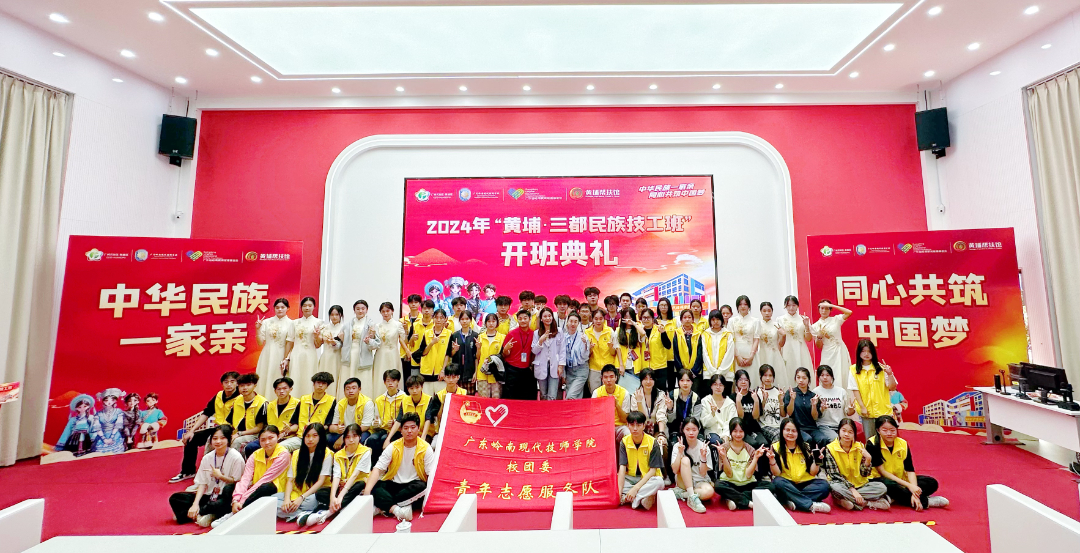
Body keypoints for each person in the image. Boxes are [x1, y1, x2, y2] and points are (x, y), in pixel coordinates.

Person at [362, 413, 435, 522]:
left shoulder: (426, 448)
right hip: (395, 484)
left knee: (423, 487)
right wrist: (367, 492)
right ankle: (397, 509)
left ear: (418, 429)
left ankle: (383, 506)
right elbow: (378, 468)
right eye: (406, 428)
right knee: (374, 486)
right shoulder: (393, 446)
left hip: (414, 485)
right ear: (401, 430)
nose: (409, 431)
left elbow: (431, 475)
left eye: (413, 427)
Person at [170, 371, 242, 483]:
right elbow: (206, 413)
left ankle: (217, 473)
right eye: (226, 382)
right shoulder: (219, 396)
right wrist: (191, 431)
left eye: (232, 381)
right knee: (192, 438)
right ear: (222, 384)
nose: (229, 384)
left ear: (237, 383)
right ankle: (188, 471)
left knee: (214, 438)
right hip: (218, 427)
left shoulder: (241, 398)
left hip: (232, 429)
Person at [215, 425, 291, 528]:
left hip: (275, 488)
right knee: (229, 488)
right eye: (263, 440)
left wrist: (242, 500)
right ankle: (225, 513)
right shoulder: (255, 455)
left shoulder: (283, 454)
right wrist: (236, 500)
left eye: (271, 438)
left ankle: (235, 515)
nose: (267, 442)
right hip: (255, 487)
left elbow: (266, 479)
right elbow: (245, 478)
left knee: (266, 487)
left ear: (278, 437)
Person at [169, 424, 245, 527]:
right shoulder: (207, 458)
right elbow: (202, 483)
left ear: (228, 440)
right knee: (175, 498)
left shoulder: (236, 457)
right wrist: (195, 504)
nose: (218, 441)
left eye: (222, 438)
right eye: (215, 438)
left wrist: (221, 476)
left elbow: (237, 483)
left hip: (225, 497)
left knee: (222, 503)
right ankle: (201, 513)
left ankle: (195, 514)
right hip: (210, 496)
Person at [868, 416, 949, 511]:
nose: (889, 433)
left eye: (892, 430)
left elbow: (909, 470)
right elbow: (883, 472)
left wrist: (914, 489)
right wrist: (909, 486)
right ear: (878, 430)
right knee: (890, 485)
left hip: (901, 479)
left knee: (931, 483)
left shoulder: (903, 444)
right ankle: (926, 502)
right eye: (885, 430)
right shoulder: (872, 444)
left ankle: (896, 497)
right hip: (881, 479)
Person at [822, 418, 890, 511]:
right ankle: (867, 502)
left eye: (850, 432)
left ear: (854, 434)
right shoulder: (830, 448)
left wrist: (868, 460)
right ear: (839, 431)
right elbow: (834, 475)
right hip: (842, 485)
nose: (846, 434)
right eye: (844, 431)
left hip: (860, 485)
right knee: (835, 487)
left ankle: (843, 501)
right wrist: (852, 490)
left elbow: (865, 474)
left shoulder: (860, 447)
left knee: (881, 488)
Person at [769, 418, 831, 513]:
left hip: (805, 483)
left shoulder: (806, 447)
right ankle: (810, 505)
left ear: (798, 432)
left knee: (824, 486)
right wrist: (772, 460)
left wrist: (816, 461)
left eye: (794, 431)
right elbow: (776, 473)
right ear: (782, 431)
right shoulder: (775, 447)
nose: (790, 433)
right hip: (787, 483)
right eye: (787, 430)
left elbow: (813, 472)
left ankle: (790, 500)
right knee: (777, 483)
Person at [276, 423, 333, 526]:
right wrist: (287, 499)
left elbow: (320, 482)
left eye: (314, 436)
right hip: (297, 492)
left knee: (310, 502)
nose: (310, 439)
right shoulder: (297, 453)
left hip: (313, 495)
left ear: (321, 437)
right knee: (272, 500)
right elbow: (290, 480)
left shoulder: (327, 454)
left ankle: (294, 511)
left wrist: (301, 498)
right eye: (307, 436)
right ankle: (301, 513)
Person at [712, 418, 771, 510]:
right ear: (731, 432)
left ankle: (733, 498)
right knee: (718, 486)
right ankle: (747, 502)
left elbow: (748, 475)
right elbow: (729, 474)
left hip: (747, 484)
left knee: (771, 486)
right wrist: (723, 457)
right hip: (730, 483)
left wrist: (756, 457)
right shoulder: (724, 448)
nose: (738, 434)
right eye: (735, 431)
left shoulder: (750, 449)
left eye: (741, 431)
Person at [849, 339, 897, 439]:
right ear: (859, 352)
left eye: (869, 351)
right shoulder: (853, 369)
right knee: (870, 440)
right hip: (866, 412)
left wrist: (890, 374)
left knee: (885, 439)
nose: (866, 354)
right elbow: (855, 390)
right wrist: (862, 407)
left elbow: (892, 387)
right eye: (863, 351)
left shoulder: (881, 368)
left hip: (883, 411)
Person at [618, 411, 666, 510]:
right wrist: (618, 493)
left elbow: (653, 471)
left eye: (638, 425)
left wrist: (635, 489)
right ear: (627, 425)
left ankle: (632, 499)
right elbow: (622, 468)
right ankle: (643, 497)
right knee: (615, 480)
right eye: (632, 425)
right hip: (630, 478)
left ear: (644, 426)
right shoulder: (624, 442)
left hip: (648, 478)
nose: (635, 428)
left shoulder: (653, 442)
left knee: (659, 482)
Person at [631, 369, 670, 479]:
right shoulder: (635, 395)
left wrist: (661, 433)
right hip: (640, 429)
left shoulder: (660, 395)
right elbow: (638, 418)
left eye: (651, 379)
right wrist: (639, 402)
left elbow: (661, 415)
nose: (648, 382)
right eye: (645, 379)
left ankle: (664, 474)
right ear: (641, 381)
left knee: (662, 443)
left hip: (657, 428)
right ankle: (641, 474)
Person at [327, 424, 373, 519]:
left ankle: (330, 512)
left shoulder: (366, 451)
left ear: (360, 437)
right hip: (342, 486)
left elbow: (355, 475)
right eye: (348, 437)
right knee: (321, 493)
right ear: (344, 439)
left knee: (359, 485)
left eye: (354, 436)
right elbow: (336, 476)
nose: (351, 440)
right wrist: (332, 497)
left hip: (356, 485)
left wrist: (340, 496)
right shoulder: (338, 455)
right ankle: (340, 505)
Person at [247, 377, 301, 457]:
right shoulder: (270, 405)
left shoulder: (298, 404)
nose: (281, 391)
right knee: (250, 447)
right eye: (278, 389)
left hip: (289, 436)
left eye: (285, 388)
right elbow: (265, 424)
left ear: (290, 389)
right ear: (275, 391)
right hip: (271, 435)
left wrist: (289, 430)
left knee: (275, 448)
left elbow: (298, 424)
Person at [670, 417, 714, 513]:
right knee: (685, 460)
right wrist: (680, 453)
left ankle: (684, 494)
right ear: (683, 430)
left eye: (694, 430)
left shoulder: (704, 447)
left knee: (709, 492)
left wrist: (703, 457)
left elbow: (703, 474)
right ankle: (692, 498)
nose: (691, 433)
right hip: (683, 482)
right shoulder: (678, 446)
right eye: (688, 429)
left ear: (698, 430)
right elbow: (675, 470)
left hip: (699, 481)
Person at [255, 298, 294, 398]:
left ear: (288, 308)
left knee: (278, 377)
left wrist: (286, 358)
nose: (280, 309)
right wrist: (258, 329)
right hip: (267, 354)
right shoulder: (266, 322)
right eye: (277, 307)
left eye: (282, 307)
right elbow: (260, 342)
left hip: (282, 354)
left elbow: (290, 343)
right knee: (264, 377)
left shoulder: (292, 323)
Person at [340, 301, 379, 399]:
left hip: (363, 354)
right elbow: (340, 340)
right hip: (350, 354)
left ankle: (364, 402)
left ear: (367, 310)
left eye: (363, 308)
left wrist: (369, 341)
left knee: (363, 378)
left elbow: (377, 344)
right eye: (358, 309)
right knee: (349, 376)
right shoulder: (348, 325)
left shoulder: (371, 325)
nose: (360, 311)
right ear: (354, 310)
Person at [811, 299, 853, 390]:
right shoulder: (815, 326)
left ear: (830, 310)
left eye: (827, 308)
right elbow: (818, 346)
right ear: (819, 309)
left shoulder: (836, 319)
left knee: (841, 373)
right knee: (826, 373)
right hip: (827, 352)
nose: (824, 311)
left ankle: (843, 395)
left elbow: (849, 312)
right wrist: (819, 337)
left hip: (839, 350)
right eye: (822, 308)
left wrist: (832, 305)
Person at [367, 369, 405, 462]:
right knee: (372, 439)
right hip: (382, 429)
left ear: (398, 382)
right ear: (384, 382)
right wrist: (377, 423)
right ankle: (374, 464)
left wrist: (394, 422)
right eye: (388, 381)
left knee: (384, 439)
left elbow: (404, 418)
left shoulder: (404, 398)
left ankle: (386, 464)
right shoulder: (379, 399)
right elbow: (376, 418)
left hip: (397, 430)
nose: (390, 383)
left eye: (393, 380)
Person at [424, 363, 467, 442]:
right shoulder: (439, 396)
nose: (451, 380)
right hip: (442, 430)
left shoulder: (464, 393)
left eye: (453, 377)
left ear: (458, 377)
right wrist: (443, 403)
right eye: (448, 377)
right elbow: (438, 417)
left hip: (460, 430)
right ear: (444, 378)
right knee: (434, 445)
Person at [633, 308, 673, 393]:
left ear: (652, 319)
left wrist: (663, 333)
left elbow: (668, 346)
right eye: (644, 318)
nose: (646, 320)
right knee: (647, 392)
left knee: (660, 392)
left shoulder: (659, 329)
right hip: (645, 367)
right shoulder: (639, 331)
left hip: (659, 366)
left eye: (648, 317)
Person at [413, 308, 452, 395]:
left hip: (440, 374)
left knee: (440, 399)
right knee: (427, 398)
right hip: (426, 371)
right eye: (436, 317)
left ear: (445, 319)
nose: (438, 320)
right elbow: (423, 352)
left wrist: (443, 370)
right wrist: (431, 343)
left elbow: (448, 354)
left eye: (441, 318)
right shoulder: (427, 333)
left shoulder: (449, 334)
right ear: (433, 318)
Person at [374, 302, 408, 400]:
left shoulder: (398, 325)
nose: (385, 313)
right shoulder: (377, 326)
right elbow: (375, 342)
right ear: (380, 312)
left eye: (388, 311)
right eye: (383, 311)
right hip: (380, 355)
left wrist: (406, 331)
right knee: (379, 377)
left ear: (392, 311)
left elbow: (404, 341)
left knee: (394, 376)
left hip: (393, 355)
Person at [328, 377, 374, 450]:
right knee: (328, 438)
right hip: (343, 432)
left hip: (361, 431)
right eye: (348, 388)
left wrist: (345, 436)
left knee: (359, 441)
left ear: (359, 389)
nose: (350, 391)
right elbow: (332, 427)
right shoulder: (340, 404)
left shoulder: (367, 403)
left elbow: (365, 426)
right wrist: (337, 429)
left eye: (353, 388)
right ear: (344, 391)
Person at [502, 309, 538, 400]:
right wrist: (505, 350)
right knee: (511, 398)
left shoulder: (534, 334)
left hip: (527, 370)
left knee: (528, 397)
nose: (523, 320)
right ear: (517, 320)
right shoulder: (511, 334)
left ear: (530, 319)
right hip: (512, 370)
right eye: (520, 318)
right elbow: (504, 355)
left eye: (525, 318)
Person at [813, 365, 854, 445]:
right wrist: (821, 409)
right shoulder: (815, 392)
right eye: (822, 375)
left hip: (840, 425)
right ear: (819, 377)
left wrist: (851, 409)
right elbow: (815, 415)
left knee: (849, 439)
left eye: (827, 375)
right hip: (824, 425)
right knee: (836, 439)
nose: (825, 377)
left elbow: (848, 413)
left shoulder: (841, 391)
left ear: (832, 376)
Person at [289, 297, 322, 397]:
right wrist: (286, 358)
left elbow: (318, 345)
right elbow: (290, 342)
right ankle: (294, 400)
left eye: (310, 305)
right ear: (301, 307)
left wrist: (316, 336)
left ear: (314, 307)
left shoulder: (319, 322)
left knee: (309, 376)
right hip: (296, 353)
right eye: (304, 305)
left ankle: (308, 400)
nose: (307, 308)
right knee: (295, 376)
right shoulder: (294, 323)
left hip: (310, 353)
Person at [386, 375, 432, 446]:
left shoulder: (429, 399)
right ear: (408, 389)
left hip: (425, 433)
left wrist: (423, 438)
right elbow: (398, 420)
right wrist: (388, 439)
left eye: (417, 388)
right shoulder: (404, 400)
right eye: (411, 388)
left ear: (422, 387)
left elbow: (428, 420)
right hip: (408, 433)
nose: (414, 391)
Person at [777, 296, 814, 379]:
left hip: (800, 349)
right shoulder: (780, 319)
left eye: (793, 305)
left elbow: (808, 339)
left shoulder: (803, 319)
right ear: (785, 306)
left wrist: (807, 326)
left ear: (797, 306)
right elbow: (778, 340)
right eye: (788, 305)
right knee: (788, 371)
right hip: (786, 348)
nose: (791, 308)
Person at [532, 307, 565, 400]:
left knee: (552, 395)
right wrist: (540, 341)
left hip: (555, 365)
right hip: (541, 366)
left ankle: (551, 408)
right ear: (541, 319)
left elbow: (562, 350)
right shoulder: (536, 333)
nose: (547, 318)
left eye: (549, 316)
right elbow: (534, 351)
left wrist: (561, 365)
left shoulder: (559, 331)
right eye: (545, 316)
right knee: (543, 394)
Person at [593, 364, 632, 443]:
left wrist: (617, 405)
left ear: (616, 378)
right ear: (602, 379)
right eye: (606, 377)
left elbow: (624, 419)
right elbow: (594, 416)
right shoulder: (596, 393)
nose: (608, 380)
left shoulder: (624, 393)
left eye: (611, 377)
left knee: (627, 433)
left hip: (619, 426)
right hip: (603, 426)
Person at [230, 373, 267, 453]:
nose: (245, 388)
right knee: (214, 437)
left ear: (254, 386)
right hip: (237, 432)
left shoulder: (262, 402)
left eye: (248, 385)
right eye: (242, 385)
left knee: (237, 441)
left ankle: (236, 461)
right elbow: (231, 422)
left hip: (255, 435)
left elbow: (259, 428)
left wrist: (240, 434)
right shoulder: (236, 400)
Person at [781, 367, 819, 446]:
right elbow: (789, 413)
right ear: (795, 379)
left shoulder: (813, 395)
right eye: (798, 377)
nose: (801, 380)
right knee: (808, 439)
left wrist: (814, 405)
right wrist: (792, 399)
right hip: (796, 428)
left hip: (812, 428)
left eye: (804, 378)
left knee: (823, 439)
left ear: (809, 380)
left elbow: (815, 417)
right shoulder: (790, 392)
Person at [729, 296, 761, 387]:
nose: (743, 306)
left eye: (745, 304)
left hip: (751, 353)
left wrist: (751, 356)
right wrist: (738, 357)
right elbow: (731, 340)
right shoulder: (732, 321)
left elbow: (756, 339)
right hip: (736, 354)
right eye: (740, 304)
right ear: (737, 307)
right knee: (738, 379)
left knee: (752, 378)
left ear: (749, 307)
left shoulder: (755, 321)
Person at [701, 309, 734, 396]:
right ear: (710, 321)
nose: (715, 322)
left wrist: (720, 371)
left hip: (726, 374)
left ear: (722, 320)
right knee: (709, 399)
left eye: (718, 319)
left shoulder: (728, 334)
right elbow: (704, 354)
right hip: (709, 374)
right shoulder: (705, 334)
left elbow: (729, 354)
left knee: (725, 398)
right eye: (713, 319)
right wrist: (712, 371)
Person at [585, 309, 618, 396]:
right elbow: (585, 355)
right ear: (592, 319)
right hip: (594, 368)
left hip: (608, 368)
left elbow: (614, 353)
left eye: (601, 318)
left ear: (604, 319)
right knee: (595, 394)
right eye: (596, 319)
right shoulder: (587, 333)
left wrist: (611, 348)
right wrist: (590, 349)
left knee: (609, 394)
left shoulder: (610, 331)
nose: (598, 321)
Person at [697, 374, 737, 446]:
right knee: (717, 442)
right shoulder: (705, 401)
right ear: (711, 386)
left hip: (728, 434)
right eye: (715, 384)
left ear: (724, 386)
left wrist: (726, 436)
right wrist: (712, 414)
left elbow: (732, 422)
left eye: (721, 385)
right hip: (711, 433)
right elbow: (704, 424)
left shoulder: (730, 403)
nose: (718, 387)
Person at [757, 302, 790, 386]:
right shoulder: (758, 325)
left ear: (772, 311)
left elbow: (781, 344)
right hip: (762, 353)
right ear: (761, 312)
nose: (767, 313)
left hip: (774, 354)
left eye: (769, 311)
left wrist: (783, 335)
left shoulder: (777, 325)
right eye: (764, 311)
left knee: (777, 377)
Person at [447, 311, 479, 394]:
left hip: (470, 372)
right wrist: (455, 350)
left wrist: (476, 372)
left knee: (470, 398)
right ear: (459, 321)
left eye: (467, 319)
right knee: (457, 396)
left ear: (471, 320)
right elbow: (450, 354)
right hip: (457, 372)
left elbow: (476, 357)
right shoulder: (454, 335)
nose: (464, 321)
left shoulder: (475, 336)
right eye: (462, 319)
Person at [317, 305, 346, 396]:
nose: (334, 317)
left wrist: (334, 342)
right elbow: (318, 343)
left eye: (336, 314)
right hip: (326, 356)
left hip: (337, 356)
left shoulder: (344, 328)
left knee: (335, 377)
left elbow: (346, 344)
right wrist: (316, 335)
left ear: (341, 315)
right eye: (332, 315)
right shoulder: (324, 328)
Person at [732, 369, 765, 448]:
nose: (743, 382)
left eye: (746, 380)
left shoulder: (753, 395)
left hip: (754, 428)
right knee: (753, 444)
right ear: (736, 382)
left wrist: (756, 401)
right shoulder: (732, 397)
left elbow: (755, 416)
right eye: (740, 380)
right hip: (741, 429)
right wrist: (738, 401)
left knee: (764, 444)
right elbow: (740, 416)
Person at [667, 369, 700, 445]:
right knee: (673, 444)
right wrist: (670, 409)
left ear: (692, 382)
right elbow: (670, 421)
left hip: (690, 430)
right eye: (682, 380)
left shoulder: (696, 398)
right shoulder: (672, 395)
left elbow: (696, 421)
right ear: (678, 382)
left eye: (688, 380)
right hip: (674, 429)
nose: (685, 383)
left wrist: (688, 431)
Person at [298, 372, 337, 438]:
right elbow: (295, 421)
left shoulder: (332, 401)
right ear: (313, 384)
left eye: (323, 383)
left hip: (318, 437)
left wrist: (315, 429)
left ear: (327, 386)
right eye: (318, 382)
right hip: (300, 436)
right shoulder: (303, 399)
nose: (320, 385)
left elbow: (328, 424)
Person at [476, 313, 505, 399]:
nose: (491, 323)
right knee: (483, 401)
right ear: (485, 323)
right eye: (489, 321)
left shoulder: (502, 338)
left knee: (496, 401)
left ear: (497, 323)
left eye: (493, 321)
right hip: (482, 374)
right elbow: (477, 357)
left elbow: (504, 356)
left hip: (496, 375)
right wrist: (478, 348)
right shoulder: (480, 337)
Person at [614, 308, 643, 394]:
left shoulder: (637, 329)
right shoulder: (618, 331)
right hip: (622, 364)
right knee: (622, 390)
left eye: (630, 317)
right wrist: (621, 365)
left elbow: (643, 334)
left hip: (635, 364)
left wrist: (634, 323)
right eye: (626, 317)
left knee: (634, 390)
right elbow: (617, 348)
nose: (628, 319)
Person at [563, 312, 591, 400]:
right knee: (577, 397)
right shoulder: (563, 337)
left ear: (578, 323)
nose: (573, 324)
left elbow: (585, 356)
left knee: (571, 396)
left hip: (581, 370)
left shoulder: (583, 337)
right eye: (571, 321)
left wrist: (585, 344)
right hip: (569, 370)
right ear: (567, 322)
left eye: (575, 322)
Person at [672, 310, 703, 388]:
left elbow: (700, 354)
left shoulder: (698, 334)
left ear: (693, 319)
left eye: (689, 317)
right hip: (681, 371)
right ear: (681, 320)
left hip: (696, 372)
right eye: (684, 317)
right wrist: (681, 371)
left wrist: (694, 371)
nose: (687, 319)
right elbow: (675, 353)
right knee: (683, 392)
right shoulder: (676, 333)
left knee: (695, 393)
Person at [92, 388, 125, 454]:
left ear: (115, 401)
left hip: (115, 434)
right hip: (102, 435)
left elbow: (118, 425)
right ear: (103, 401)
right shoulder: (98, 414)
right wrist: (104, 439)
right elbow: (97, 427)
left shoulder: (118, 411)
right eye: (106, 400)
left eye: (112, 400)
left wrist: (111, 437)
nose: (109, 402)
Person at [757, 364, 783, 444]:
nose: (768, 378)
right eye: (765, 375)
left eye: (770, 375)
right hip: (765, 425)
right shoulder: (756, 392)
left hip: (779, 425)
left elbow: (783, 414)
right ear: (761, 377)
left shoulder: (778, 391)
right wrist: (764, 400)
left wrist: (781, 401)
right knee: (778, 435)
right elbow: (757, 415)